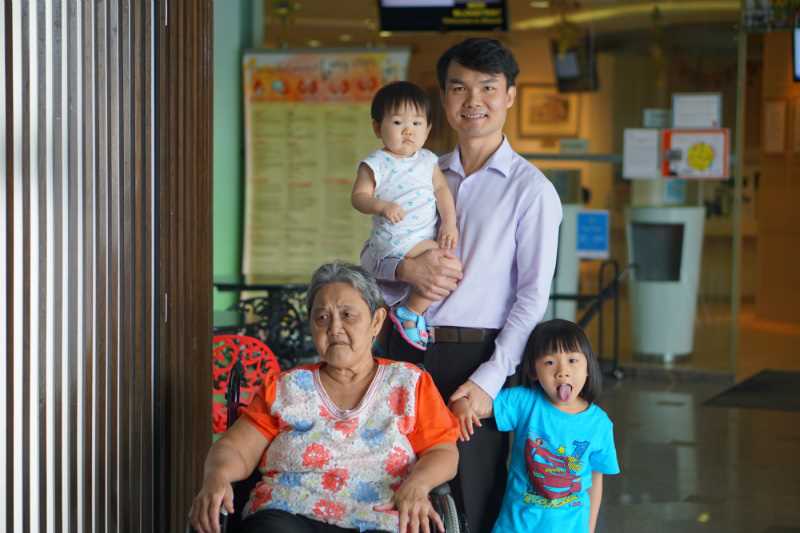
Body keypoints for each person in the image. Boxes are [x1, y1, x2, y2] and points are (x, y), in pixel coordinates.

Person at [362, 38, 563, 531]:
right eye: (459, 87)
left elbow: (532, 298)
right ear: (444, 99)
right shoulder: (415, 170)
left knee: (472, 505)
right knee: (390, 495)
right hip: (402, 349)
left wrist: (488, 383)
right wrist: (404, 271)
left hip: (476, 360)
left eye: (488, 88)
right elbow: (369, 258)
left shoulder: (531, 190)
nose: (473, 100)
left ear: (510, 95)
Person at [189, 262, 460, 533]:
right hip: (287, 514)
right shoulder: (286, 387)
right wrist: (218, 476)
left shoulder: (409, 384)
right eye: (322, 318)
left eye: (347, 315)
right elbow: (235, 448)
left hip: (379, 517)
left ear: (376, 321)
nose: (334, 328)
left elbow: (442, 451)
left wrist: (418, 485)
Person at [451, 319, 620, 533]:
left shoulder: (600, 424)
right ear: (533, 371)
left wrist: (589, 528)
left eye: (572, 360)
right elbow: (477, 402)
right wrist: (462, 405)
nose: (562, 372)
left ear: (588, 367)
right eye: (550, 362)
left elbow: (596, 478)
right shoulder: (525, 402)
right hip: (516, 526)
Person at [352, 81, 458, 351]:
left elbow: (442, 190)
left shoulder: (428, 161)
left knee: (444, 266)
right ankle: (410, 312)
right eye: (398, 122)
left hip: (420, 238)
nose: (408, 130)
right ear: (378, 127)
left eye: (417, 123)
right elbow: (359, 197)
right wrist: (381, 206)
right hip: (395, 239)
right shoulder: (375, 162)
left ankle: (402, 316)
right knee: (448, 265)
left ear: (429, 129)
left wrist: (450, 222)